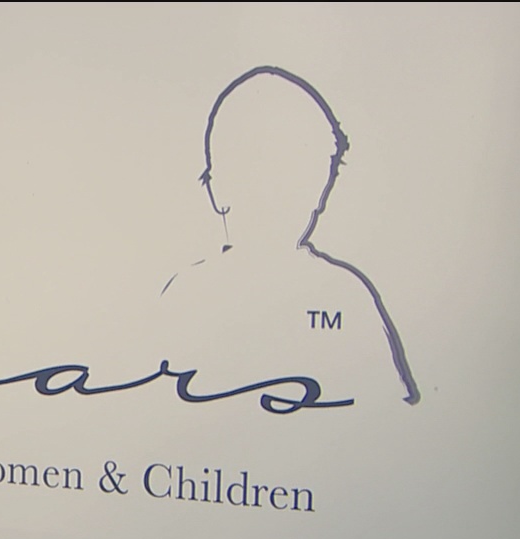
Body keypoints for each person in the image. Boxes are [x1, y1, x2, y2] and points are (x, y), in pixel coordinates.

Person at [162, 66, 420, 406]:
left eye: (306, 174)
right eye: (266, 173)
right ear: (216, 187)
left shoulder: (346, 295)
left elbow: (393, 410)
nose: (289, 196)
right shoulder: (185, 295)